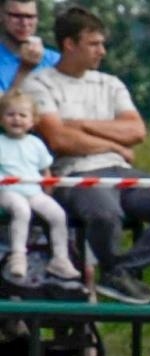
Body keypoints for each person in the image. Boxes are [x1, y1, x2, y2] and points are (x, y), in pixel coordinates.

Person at [22, 6, 150, 306]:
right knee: (105, 214)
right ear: (69, 44)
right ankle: (115, 275)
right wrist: (114, 145)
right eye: (93, 44)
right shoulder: (39, 84)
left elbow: (136, 131)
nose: (102, 51)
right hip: (74, 174)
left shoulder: (111, 84)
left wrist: (80, 124)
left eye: (102, 44)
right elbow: (59, 139)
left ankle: (120, 271)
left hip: (121, 171)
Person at [0, 89, 77, 280]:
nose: (16, 119)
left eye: (22, 115)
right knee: (21, 210)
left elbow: (45, 170)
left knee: (58, 214)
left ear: (32, 121)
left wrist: (47, 193)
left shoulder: (36, 144)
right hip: (7, 191)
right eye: (10, 115)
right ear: (1, 119)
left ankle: (60, 259)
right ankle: (18, 256)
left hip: (33, 191)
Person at [0, 0, 53, 92]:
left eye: (30, 16)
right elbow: (5, 102)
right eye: (16, 16)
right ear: (1, 15)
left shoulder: (57, 61)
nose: (24, 23)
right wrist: (24, 70)